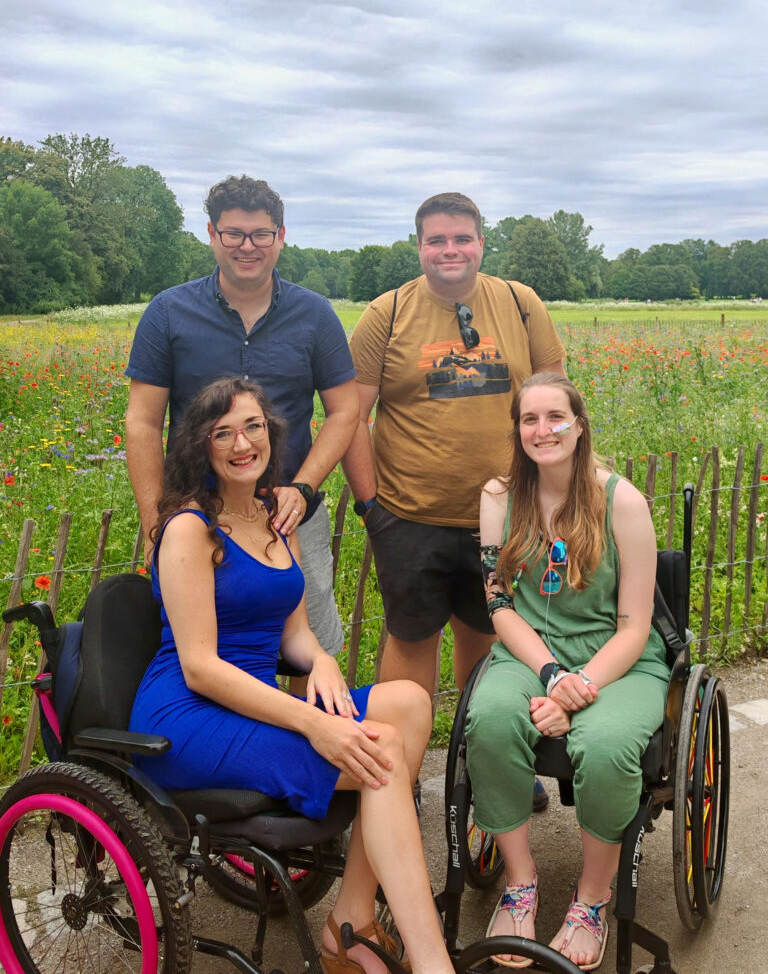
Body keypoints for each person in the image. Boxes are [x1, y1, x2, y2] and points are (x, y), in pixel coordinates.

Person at [129, 377, 455, 974]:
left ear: (270, 435)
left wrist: (323, 660)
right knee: (376, 750)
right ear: (200, 446)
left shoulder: (274, 515)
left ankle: (348, 919)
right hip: (188, 716)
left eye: (252, 427)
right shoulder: (188, 528)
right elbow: (200, 668)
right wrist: (315, 724)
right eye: (222, 433)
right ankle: (434, 964)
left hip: (252, 701)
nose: (240, 443)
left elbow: (295, 632)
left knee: (408, 703)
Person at [342, 192, 566, 808]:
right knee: (411, 643)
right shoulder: (385, 316)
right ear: (418, 246)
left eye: (461, 239)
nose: (450, 250)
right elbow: (349, 418)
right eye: (437, 240)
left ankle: (489, 766)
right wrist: (373, 509)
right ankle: (398, 774)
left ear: (481, 243)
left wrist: (554, 491)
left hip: (507, 518)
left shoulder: (521, 304)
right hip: (411, 516)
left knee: (491, 640)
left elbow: (556, 398)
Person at [464, 372, 670, 970]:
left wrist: (578, 693)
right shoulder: (499, 496)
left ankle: (591, 899)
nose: (542, 429)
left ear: (579, 426)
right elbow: (500, 607)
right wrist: (552, 675)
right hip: (530, 651)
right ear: (518, 430)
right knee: (492, 718)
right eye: (530, 419)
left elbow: (635, 626)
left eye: (556, 417)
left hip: (619, 659)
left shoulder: (621, 501)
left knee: (605, 746)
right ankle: (521, 883)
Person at [125, 176, 357, 661]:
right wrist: (155, 525)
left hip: (290, 516)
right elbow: (143, 423)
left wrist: (305, 487)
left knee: (306, 650)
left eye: (260, 234)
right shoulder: (167, 312)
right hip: (194, 519)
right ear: (211, 233)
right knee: (200, 652)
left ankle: (301, 735)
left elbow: (345, 411)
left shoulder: (315, 315)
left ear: (281, 236)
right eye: (233, 234)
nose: (247, 246)